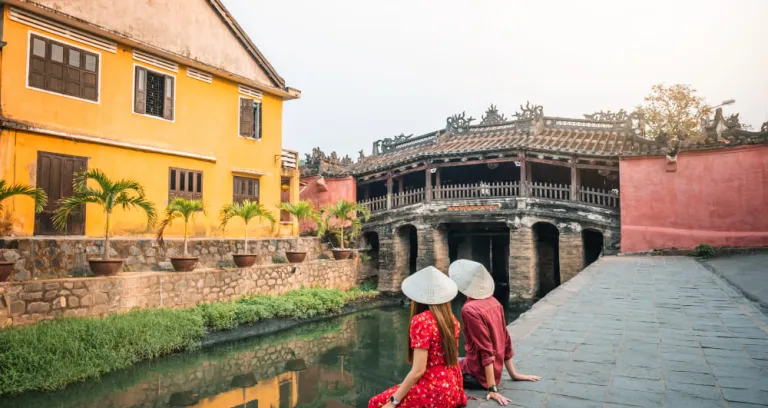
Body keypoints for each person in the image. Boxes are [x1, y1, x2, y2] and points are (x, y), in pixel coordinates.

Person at [368, 266, 468, 408]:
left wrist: (393, 402)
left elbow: (418, 371)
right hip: (452, 388)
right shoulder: (451, 319)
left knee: (375, 403)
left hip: (433, 391)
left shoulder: (422, 321)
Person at [449, 260, 540, 406]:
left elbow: (485, 349)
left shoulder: (469, 310)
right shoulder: (494, 302)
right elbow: (505, 339)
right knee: (457, 361)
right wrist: (513, 374)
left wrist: (492, 389)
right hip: (490, 370)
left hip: (478, 375)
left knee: (439, 371)